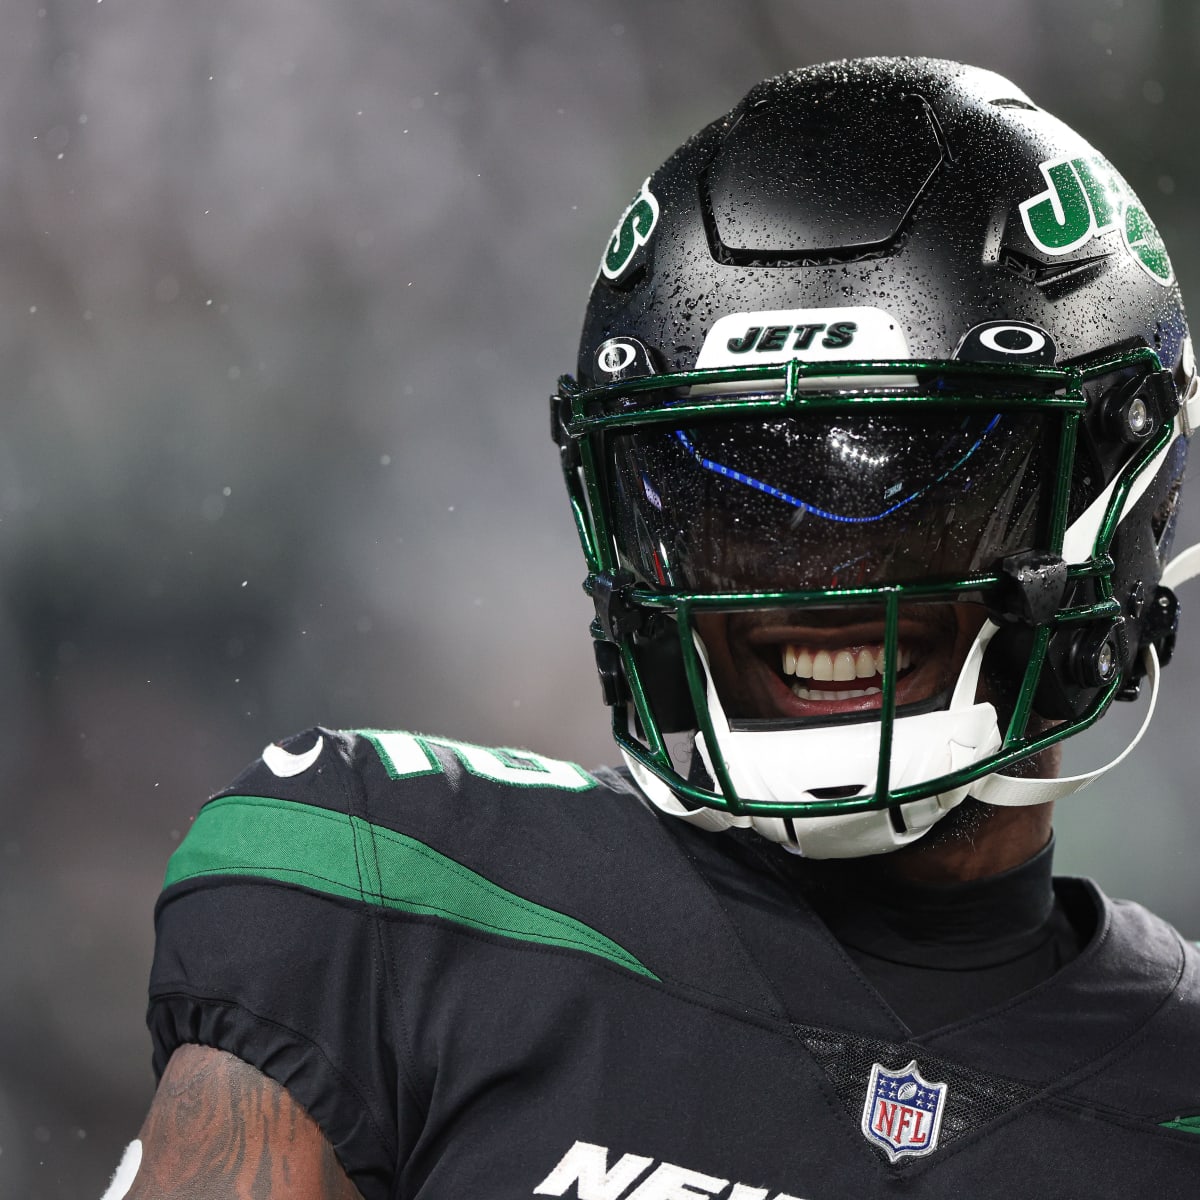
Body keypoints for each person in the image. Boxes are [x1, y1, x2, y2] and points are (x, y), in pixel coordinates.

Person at [111, 58, 1200, 1200]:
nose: (807, 584)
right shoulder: (394, 901)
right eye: (731, 501)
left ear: (1109, 516)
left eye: (909, 498)